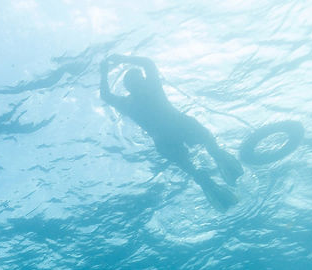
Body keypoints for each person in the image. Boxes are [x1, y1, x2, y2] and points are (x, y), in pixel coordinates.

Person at [100, 55, 243, 210]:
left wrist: (104, 71)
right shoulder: (151, 87)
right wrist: (122, 59)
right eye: (139, 79)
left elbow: (106, 95)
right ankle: (222, 171)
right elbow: (148, 63)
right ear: (137, 82)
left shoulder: (128, 104)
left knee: (193, 168)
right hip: (180, 125)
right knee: (209, 146)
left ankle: (215, 187)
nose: (141, 82)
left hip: (164, 140)